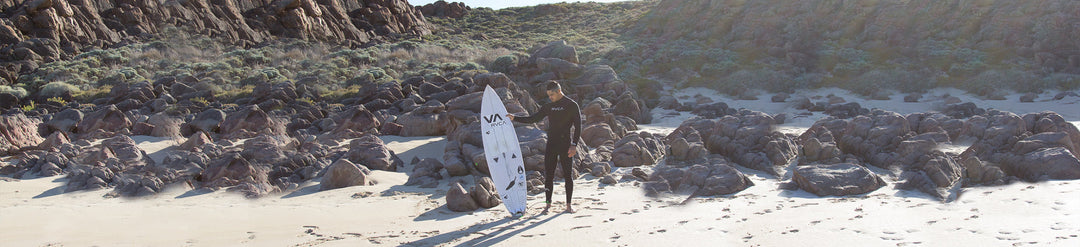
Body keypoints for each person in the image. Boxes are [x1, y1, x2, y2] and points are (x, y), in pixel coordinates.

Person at [507, 80, 582, 214]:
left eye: (552, 94)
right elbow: (532, 119)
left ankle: (569, 205)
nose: (550, 97)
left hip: (566, 145)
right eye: (548, 95)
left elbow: (578, 127)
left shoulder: (571, 105)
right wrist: (515, 118)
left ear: (559, 91)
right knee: (549, 175)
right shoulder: (548, 107)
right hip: (551, 144)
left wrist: (574, 145)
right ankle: (547, 205)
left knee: (568, 175)